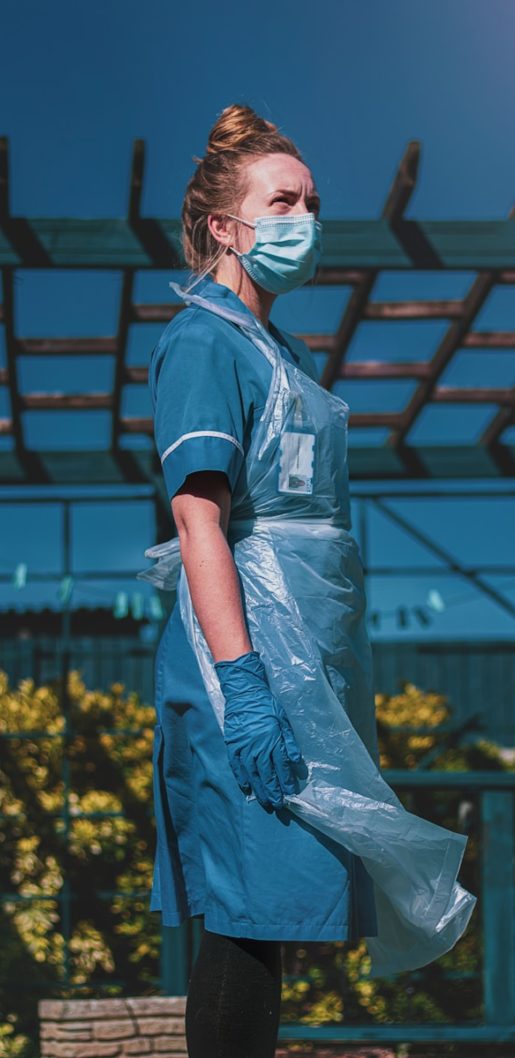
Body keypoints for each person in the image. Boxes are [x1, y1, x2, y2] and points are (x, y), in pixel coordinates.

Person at [142, 103, 476, 1058]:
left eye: (313, 203)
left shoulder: (278, 351)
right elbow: (198, 518)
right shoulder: (204, 340)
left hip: (302, 660)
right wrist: (244, 685)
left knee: (271, 912)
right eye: (283, 202)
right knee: (243, 917)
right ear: (224, 225)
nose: (306, 220)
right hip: (242, 661)